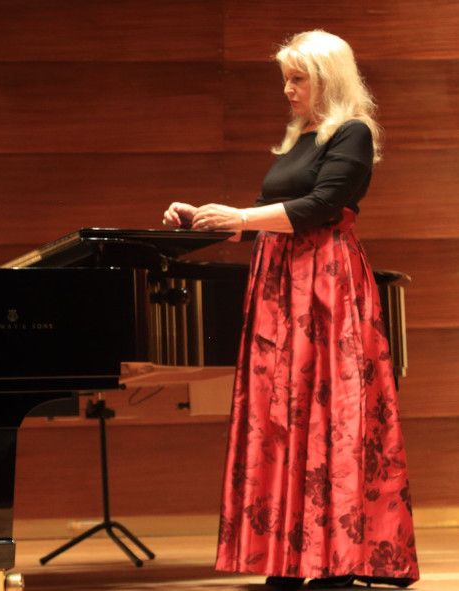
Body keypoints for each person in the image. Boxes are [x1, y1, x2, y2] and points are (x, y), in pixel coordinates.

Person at [163, 31, 419, 589]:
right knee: (287, 416)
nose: (288, 89)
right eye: (287, 78)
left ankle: (336, 559)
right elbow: (264, 213)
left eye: (298, 78)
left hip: (324, 285)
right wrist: (205, 217)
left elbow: (323, 205)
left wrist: (240, 216)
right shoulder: (300, 136)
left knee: (331, 414)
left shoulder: (351, 132)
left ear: (328, 78)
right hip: (282, 285)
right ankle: (291, 552)